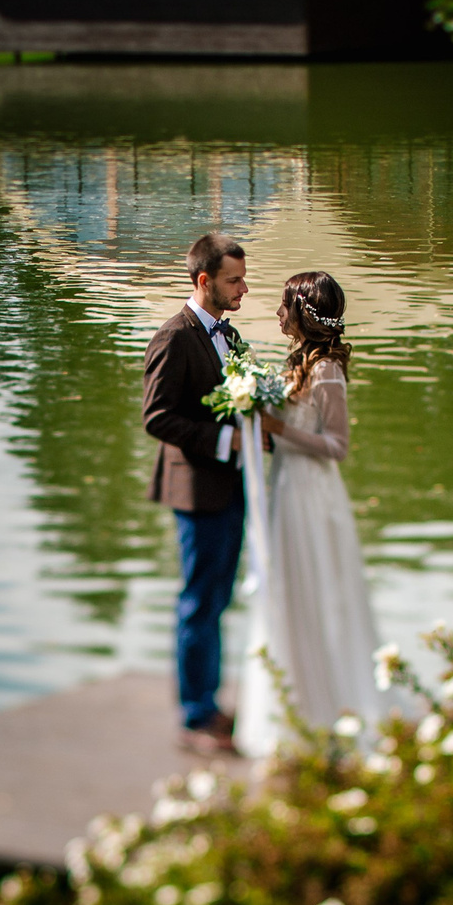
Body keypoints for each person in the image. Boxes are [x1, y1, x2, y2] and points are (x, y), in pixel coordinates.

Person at [240, 271, 384, 757]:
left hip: (311, 497)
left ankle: (327, 707)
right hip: (286, 490)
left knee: (315, 594)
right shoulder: (298, 362)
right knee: (288, 594)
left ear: (303, 313)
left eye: (285, 306)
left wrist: (277, 428)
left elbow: (337, 446)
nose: (278, 314)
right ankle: (295, 702)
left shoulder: (326, 370)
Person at [142, 233, 251, 756]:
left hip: (230, 482)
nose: (243, 288)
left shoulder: (224, 335)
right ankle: (194, 717)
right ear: (204, 281)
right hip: (197, 490)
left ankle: (208, 703)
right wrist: (226, 439)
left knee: (218, 599)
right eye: (234, 280)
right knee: (198, 602)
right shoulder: (174, 337)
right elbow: (157, 417)